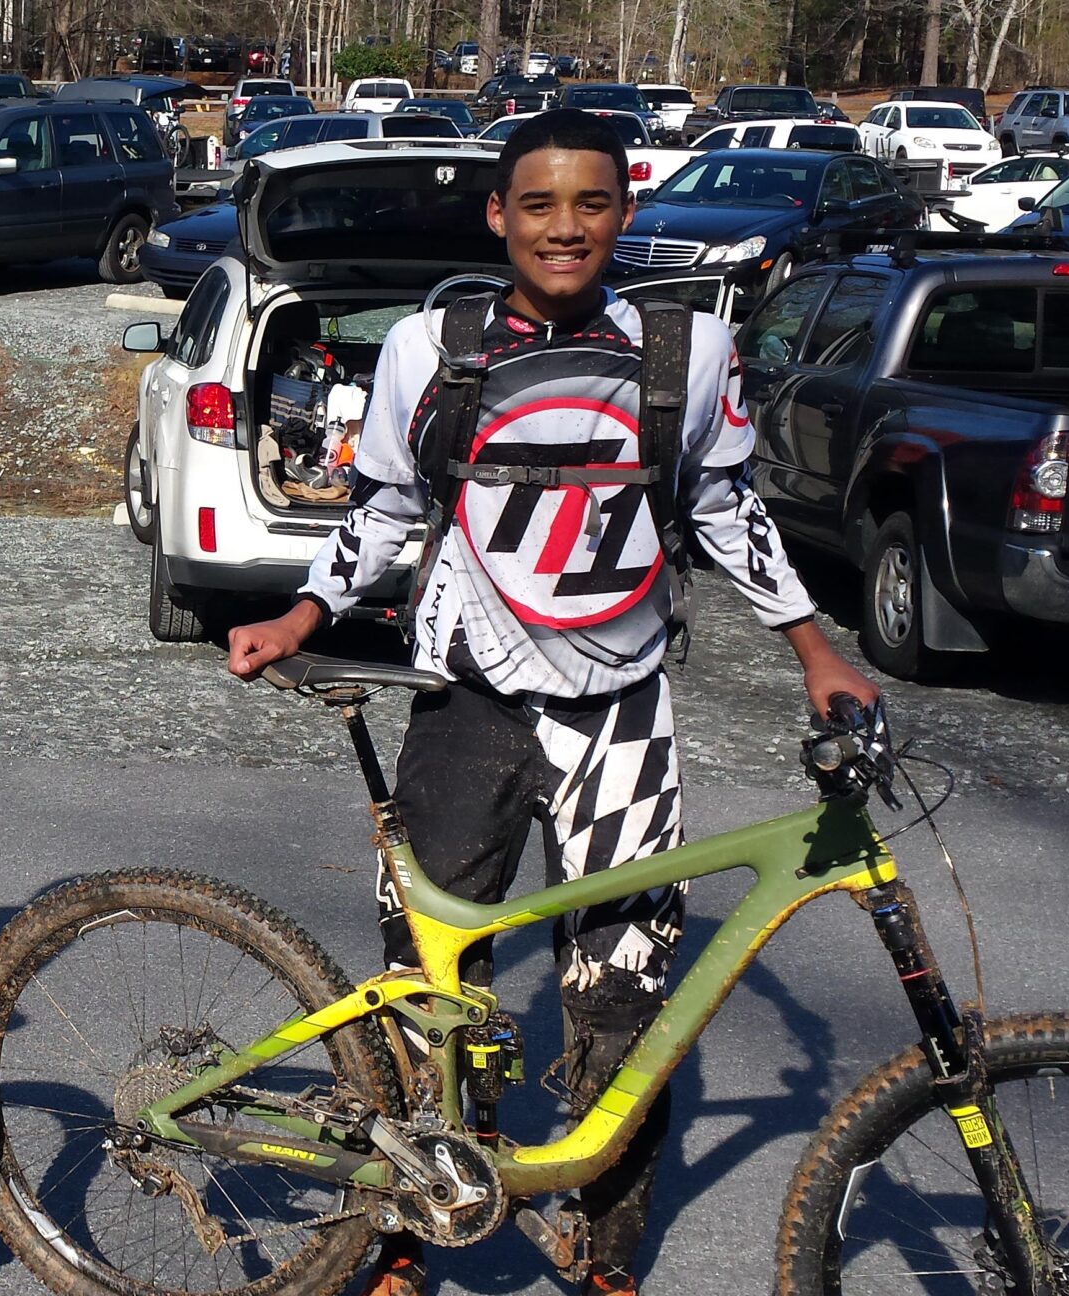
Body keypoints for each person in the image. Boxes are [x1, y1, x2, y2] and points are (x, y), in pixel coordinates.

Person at [226, 109, 876, 1296]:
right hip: (462, 708)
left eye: (590, 203)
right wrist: (302, 616)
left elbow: (725, 510)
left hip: (620, 714)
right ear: (498, 215)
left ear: (624, 211)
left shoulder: (690, 354)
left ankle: (606, 1254)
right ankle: (409, 1232)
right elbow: (384, 510)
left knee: (624, 1000)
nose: (563, 227)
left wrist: (813, 652)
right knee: (426, 990)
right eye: (537, 204)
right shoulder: (430, 348)